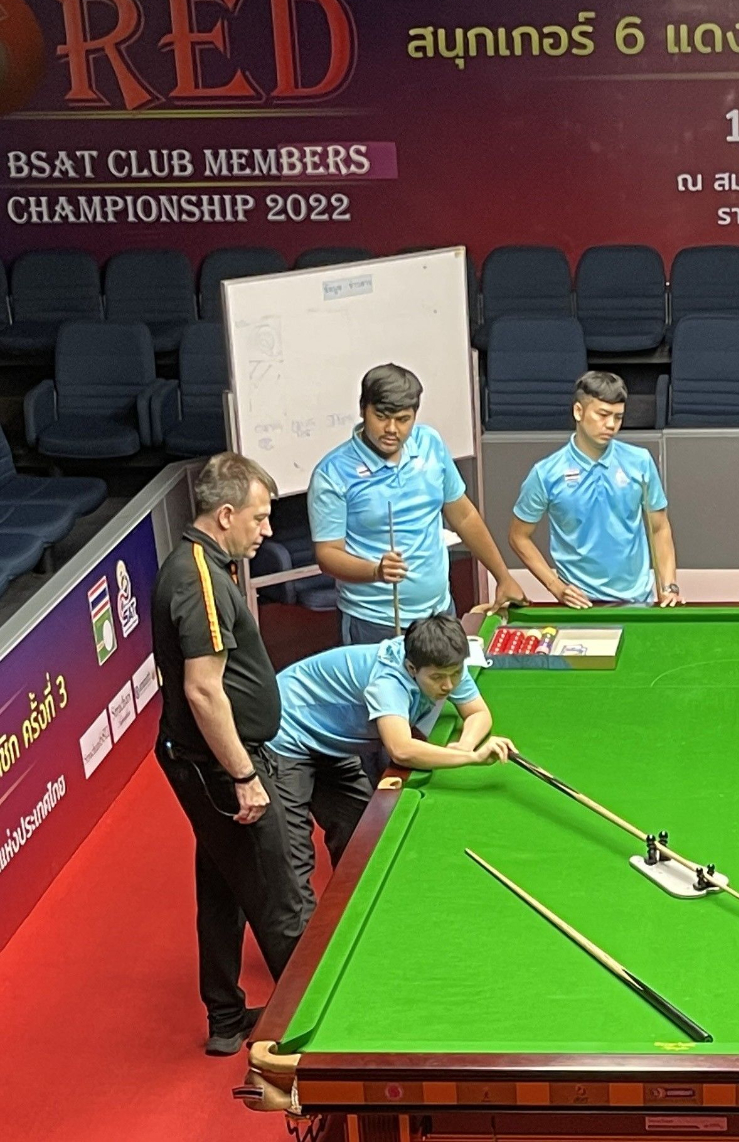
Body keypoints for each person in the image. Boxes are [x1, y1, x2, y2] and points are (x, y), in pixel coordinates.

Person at [151, 452, 303, 1056]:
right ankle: (322, 1030)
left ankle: (225, 1019)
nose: (267, 530)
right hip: (218, 768)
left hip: (201, 762)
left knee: (221, 886)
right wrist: (243, 774)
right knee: (279, 895)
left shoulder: (200, 564)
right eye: (259, 518)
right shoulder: (200, 580)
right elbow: (203, 690)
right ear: (225, 515)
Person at [270, 613, 514, 923]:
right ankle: (304, 949)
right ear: (412, 669)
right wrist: (472, 758)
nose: (448, 684)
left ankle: (356, 919)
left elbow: (478, 713)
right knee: (293, 858)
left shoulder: (445, 660)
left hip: (332, 743)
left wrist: (465, 745)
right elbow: (401, 750)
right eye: (438, 678)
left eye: (455, 674)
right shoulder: (388, 681)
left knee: (363, 837)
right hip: (286, 733)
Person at [310, 363, 525, 644]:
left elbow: (463, 516)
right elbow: (327, 554)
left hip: (440, 612)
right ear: (363, 409)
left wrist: (502, 576)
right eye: (381, 417)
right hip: (375, 622)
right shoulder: (333, 473)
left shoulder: (430, 444)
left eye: (403, 419)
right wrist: (375, 571)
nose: (391, 429)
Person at [510, 371, 682, 607]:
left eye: (618, 417)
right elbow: (518, 536)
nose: (611, 425)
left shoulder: (640, 461)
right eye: (602, 415)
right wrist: (555, 586)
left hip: (637, 602)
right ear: (578, 411)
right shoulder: (546, 473)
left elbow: (659, 528)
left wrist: (668, 586)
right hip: (580, 606)